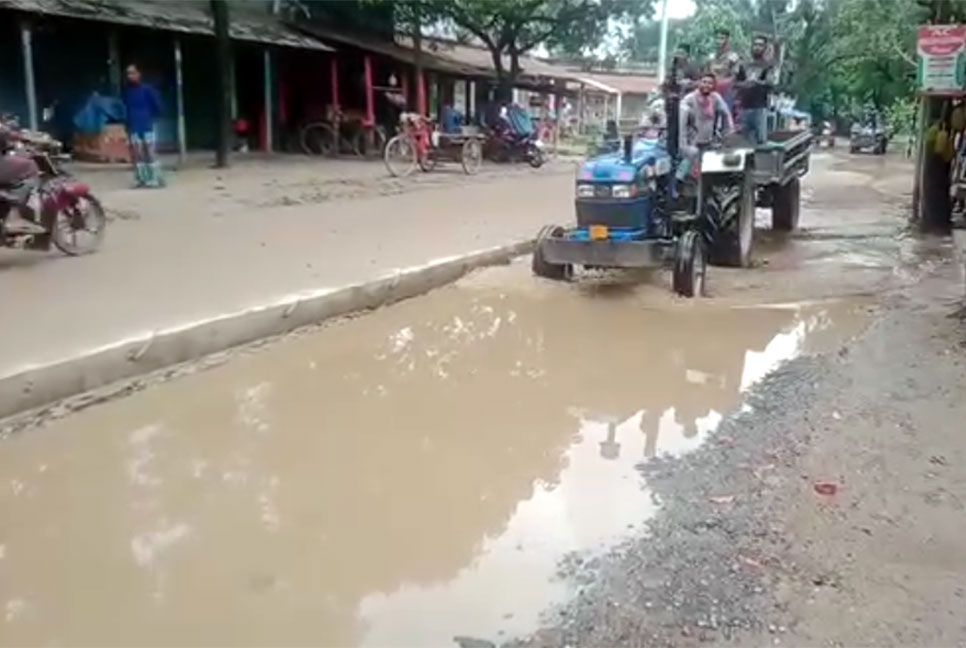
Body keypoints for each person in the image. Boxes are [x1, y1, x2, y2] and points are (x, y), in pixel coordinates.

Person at [678, 72, 734, 180]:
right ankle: (677, 185)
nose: (707, 85)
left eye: (710, 83)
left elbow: (726, 112)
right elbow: (682, 123)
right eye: (704, 82)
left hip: (708, 140)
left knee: (705, 170)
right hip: (693, 141)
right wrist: (684, 144)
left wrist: (730, 129)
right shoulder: (689, 99)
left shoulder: (715, 97)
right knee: (686, 169)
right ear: (699, 83)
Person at [122, 64, 163, 188]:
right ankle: (141, 179)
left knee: (150, 152)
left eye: (133, 73)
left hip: (147, 125)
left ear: (139, 74)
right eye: (128, 73)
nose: (130, 76)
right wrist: (127, 124)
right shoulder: (127, 92)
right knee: (137, 154)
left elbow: (157, 106)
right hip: (133, 126)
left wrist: (150, 118)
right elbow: (126, 108)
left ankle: (155, 178)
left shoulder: (148, 89)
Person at [735, 34, 776, 144]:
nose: (757, 47)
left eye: (760, 45)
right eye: (755, 44)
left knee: (761, 140)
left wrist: (757, 82)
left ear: (765, 48)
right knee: (743, 141)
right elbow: (736, 83)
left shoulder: (768, 66)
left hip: (760, 107)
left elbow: (771, 84)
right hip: (744, 107)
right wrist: (745, 84)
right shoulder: (744, 65)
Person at [709, 28, 740, 112]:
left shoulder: (733, 56)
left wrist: (723, 84)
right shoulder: (711, 56)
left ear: (727, 40)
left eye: (722, 38)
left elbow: (734, 76)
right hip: (712, 89)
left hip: (727, 91)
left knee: (726, 114)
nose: (719, 41)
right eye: (717, 38)